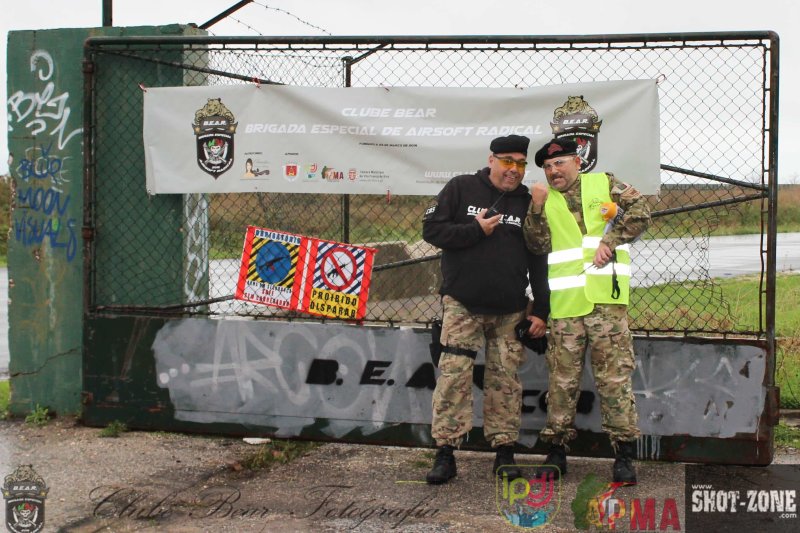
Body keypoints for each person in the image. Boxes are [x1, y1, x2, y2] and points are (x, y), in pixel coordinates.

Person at [422, 134, 550, 485]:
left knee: (505, 382)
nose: (514, 170)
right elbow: (432, 230)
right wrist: (474, 230)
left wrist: (541, 309)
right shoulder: (461, 188)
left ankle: (504, 452)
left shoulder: (527, 201)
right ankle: (445, 453)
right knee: (454, 378)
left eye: (520, 163)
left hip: (510, 310)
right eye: (507, 161)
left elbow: (539, 257)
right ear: (491, 160)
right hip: (463, 305)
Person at [523, 138, 651, 484]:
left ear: (577, 162)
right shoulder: (543, 200)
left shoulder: (604, 183)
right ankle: (556, 451)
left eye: (560, 163)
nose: (554, 171)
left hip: (606, 303)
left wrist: (611, 240)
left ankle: (623, 455)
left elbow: (641, 212)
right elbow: (536, 243)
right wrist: (536, 207)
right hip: (566, 306)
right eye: (548, 167)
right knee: (561, 380)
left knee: (614, 379)